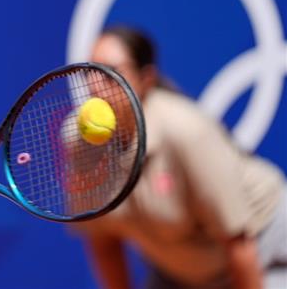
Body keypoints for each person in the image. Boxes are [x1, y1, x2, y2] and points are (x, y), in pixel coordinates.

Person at [77, 25, 287, 289]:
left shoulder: (186, 132)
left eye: (112, 72)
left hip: (264, 251)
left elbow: (239, 243)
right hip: (182, 273)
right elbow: (103, 242)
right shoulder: (79, 146)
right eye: (91, 71)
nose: (96, 85)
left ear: (146, 79)